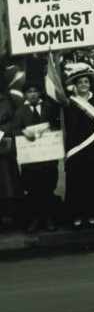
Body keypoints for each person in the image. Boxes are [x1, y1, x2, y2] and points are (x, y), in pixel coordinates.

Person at [11, 81, 61, 233]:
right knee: (33, 189)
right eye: (29, 91)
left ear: (40, 93)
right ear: (25, 94)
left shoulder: (48, 108)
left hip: (48, 158)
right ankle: (35, 219)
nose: (32, 94)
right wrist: (22, 132)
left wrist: (48, 130)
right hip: (30, 160)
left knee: (48, 187)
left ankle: (48, 218)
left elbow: (57, 125)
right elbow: (14, 130)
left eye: (35, 91)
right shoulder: (20, 111)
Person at [63, 63, 94, 228]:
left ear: (90, 84)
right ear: (75, 85)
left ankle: (91, 214)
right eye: (80, 82)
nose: (83, 85)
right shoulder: (69, 103)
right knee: (77, 184)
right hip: (77, 149)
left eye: (86, 82)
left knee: (93, 183)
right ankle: (77, 215)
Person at [0, 90, 22, 231]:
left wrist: (3, 131)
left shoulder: (4, 101)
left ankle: (12, 217)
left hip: (2, 152)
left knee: (6, 184)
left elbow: (11, 122)